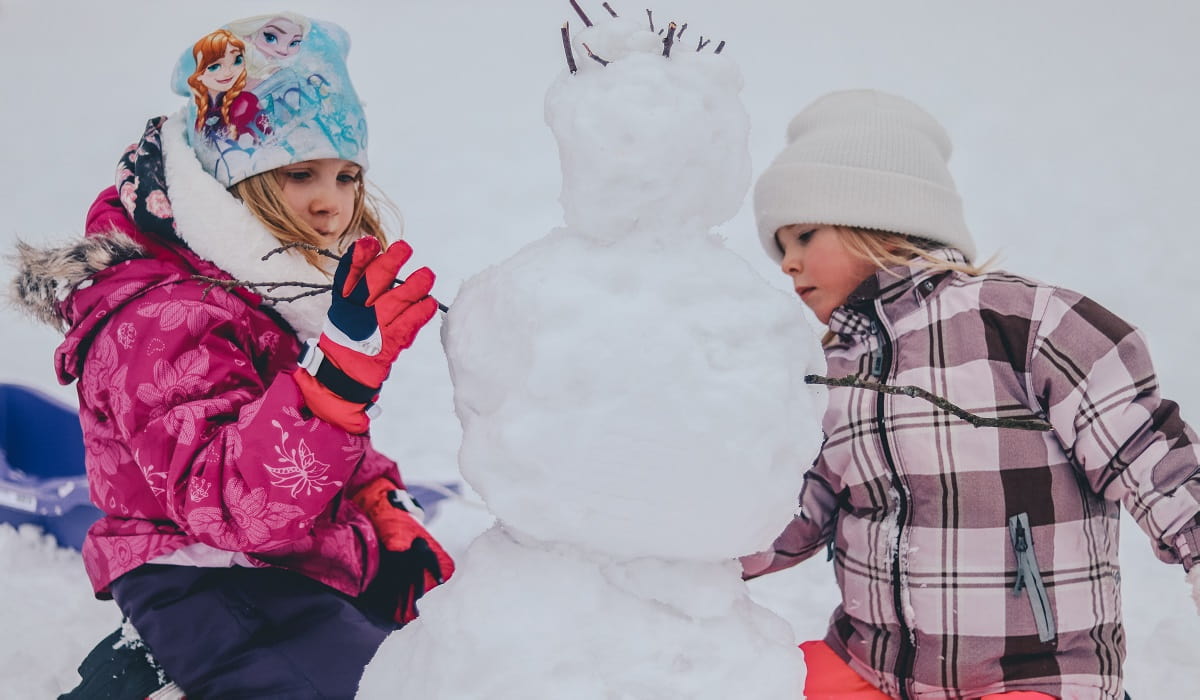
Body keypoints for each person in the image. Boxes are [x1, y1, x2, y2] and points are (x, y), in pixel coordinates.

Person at [12, 12, 454, 699]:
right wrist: (336, 385)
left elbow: (275, 425)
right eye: (301, 172)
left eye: (346, 178)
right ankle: (165, 657)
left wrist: (375, 495)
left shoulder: (249, 292)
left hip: (285, 560)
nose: (330, 205)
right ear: (232, 180)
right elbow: (229, 507)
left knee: (445, 651)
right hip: (206, 577)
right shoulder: (159, 319)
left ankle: (151, 667)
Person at [742, 89, 1200, 700]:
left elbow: (1148, 453)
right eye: (780, 247)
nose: (787, 264)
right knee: (756, 674)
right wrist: (671, 549)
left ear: (875, 216)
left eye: (802, 236)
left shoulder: (1025, 324)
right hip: (868, 672)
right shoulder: (829, 372)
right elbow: (792, 514)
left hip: (1028, 677)